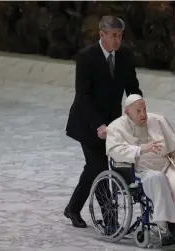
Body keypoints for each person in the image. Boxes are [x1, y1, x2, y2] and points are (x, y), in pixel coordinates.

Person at [105, 94, 175, 245]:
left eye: (144, 109)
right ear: (127, 112)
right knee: (157, 177)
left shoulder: (158, 120)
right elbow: (114, 150)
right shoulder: (116, 127)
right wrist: (140, 149)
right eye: (138, 111)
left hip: (167, 167)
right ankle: (170, 227)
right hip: (141, 171)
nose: (143, 114)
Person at [64, 15, 143, 228]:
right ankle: (111, 222)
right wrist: (98, 125)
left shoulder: (125, 56)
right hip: (87, 122)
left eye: (120, 36)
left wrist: (137, 110)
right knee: (99, 168)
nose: (118, 41)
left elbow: (133, 89)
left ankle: (72, 208)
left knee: (92, 169)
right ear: (102, 35)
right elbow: (83, 96)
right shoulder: (86, 57)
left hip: (113, 123)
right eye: (114, 36)